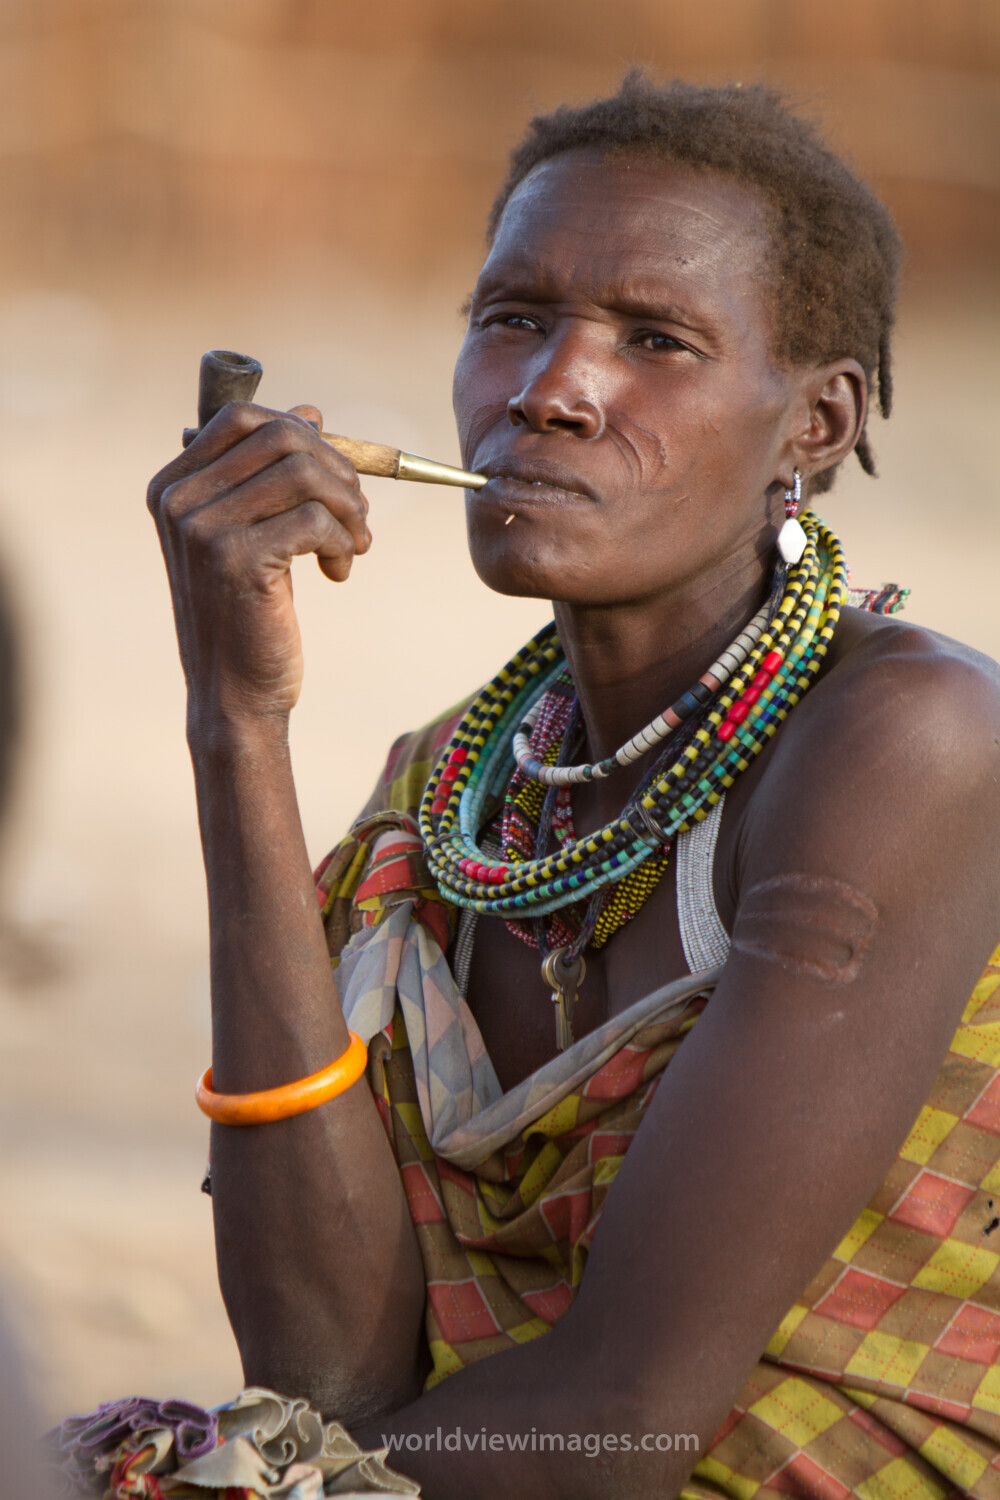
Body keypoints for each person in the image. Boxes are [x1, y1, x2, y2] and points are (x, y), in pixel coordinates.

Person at [52, 75, 1000, 1499]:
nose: (549, 391)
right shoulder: (446, 801)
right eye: (512, 320)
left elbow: (623, 1423)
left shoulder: (906, 741)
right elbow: (324, 1380)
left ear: (817, 423)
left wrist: (251, 1489)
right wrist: (236, 722)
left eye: (656, 340)